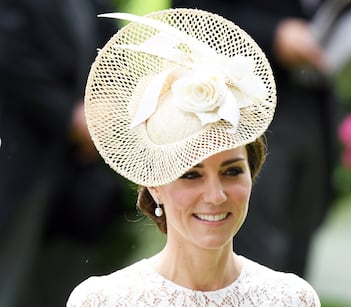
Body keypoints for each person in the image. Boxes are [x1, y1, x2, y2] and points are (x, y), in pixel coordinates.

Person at [67, 8, 321, 306]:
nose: (215, 195)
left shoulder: (291, 298)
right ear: (154, 184)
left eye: (231, 171)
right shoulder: (102, 300)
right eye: (190, 174)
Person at [172, 0, 339, 277]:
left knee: (298, 256)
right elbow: (191, 17)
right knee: (250, 251)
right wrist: (274, 34)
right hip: (244, 112)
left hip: (315, 107)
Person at [0, 1, 133, 306]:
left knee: (71, 280)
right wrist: (69, 117)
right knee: (11, 270)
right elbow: (10, 53)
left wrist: (103, 117)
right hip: (22, 153)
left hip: (82, 165)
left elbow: (115, 54)